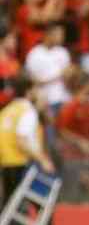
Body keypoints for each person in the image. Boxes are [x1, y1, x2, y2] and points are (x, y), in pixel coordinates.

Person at [0, 75, 54, 206]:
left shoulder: (8, 110)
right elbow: (22, 139)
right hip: (20, 162)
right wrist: (43, 160)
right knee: (40, 202)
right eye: (36, 88)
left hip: (6, 162)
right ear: (29, 90)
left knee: (10, 204)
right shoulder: (27, 110)